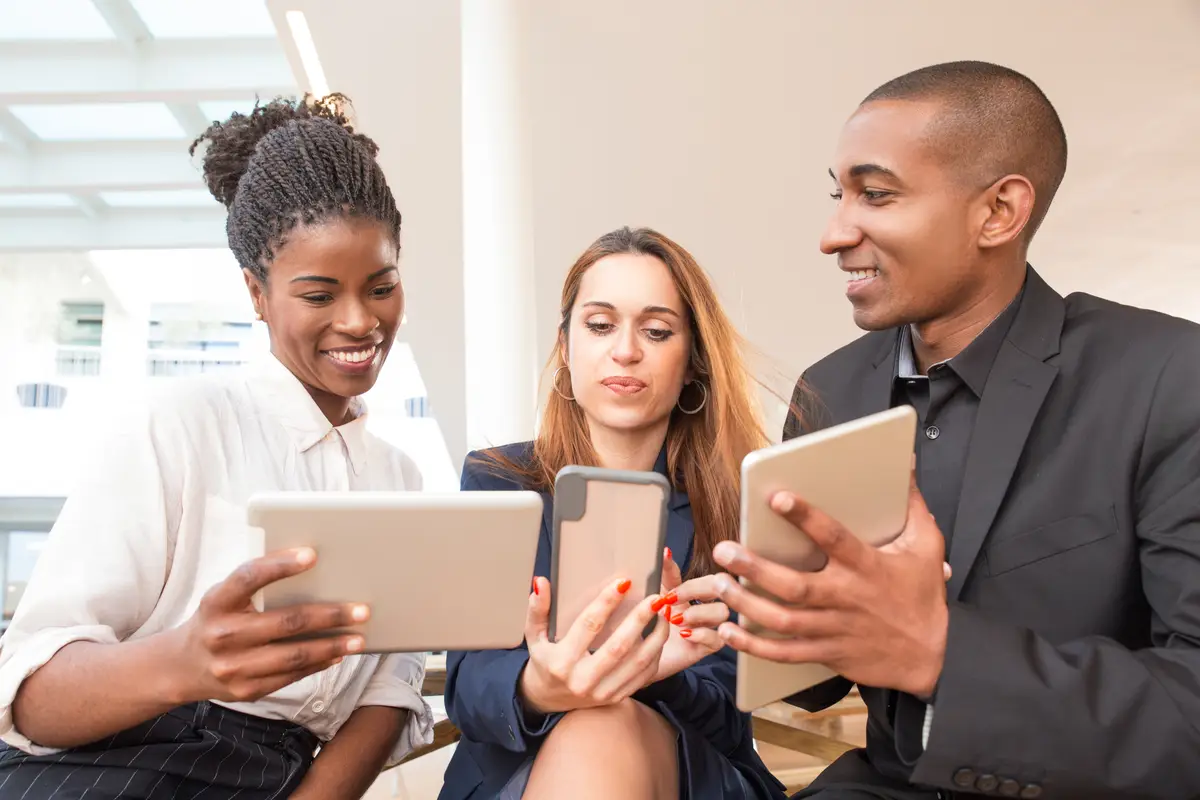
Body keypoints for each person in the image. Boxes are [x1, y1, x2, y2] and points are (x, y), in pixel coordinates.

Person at [704, 61, 1200, 799]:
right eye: (838, 195)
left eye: (875, 194)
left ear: (999, 211)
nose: (833, 233)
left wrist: (937, 651)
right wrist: (758, 617)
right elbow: (815, 681)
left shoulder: (1167, 375)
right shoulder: (831, 390)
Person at [0, 96, 433, 799]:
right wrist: (186, 663)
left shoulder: (400, 477)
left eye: (381, 287)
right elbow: (31, 696)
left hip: (280, 776)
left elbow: (388, 688)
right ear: (256, 293)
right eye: (318, 295)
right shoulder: (178, 425)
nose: (360, 321)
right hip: (126, 759)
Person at [440, 227, 788, 800]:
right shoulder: (497, 479)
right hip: (516, 772)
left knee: (604, 724)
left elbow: (729, 721)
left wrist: (657, 675)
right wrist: (541, 686)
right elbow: (471, 690)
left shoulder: (739, 499)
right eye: (600, 326)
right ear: (567, 347)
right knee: (593, 729)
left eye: (656, 331)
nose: (625, 350)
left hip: (693, 772)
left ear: (693, 361)